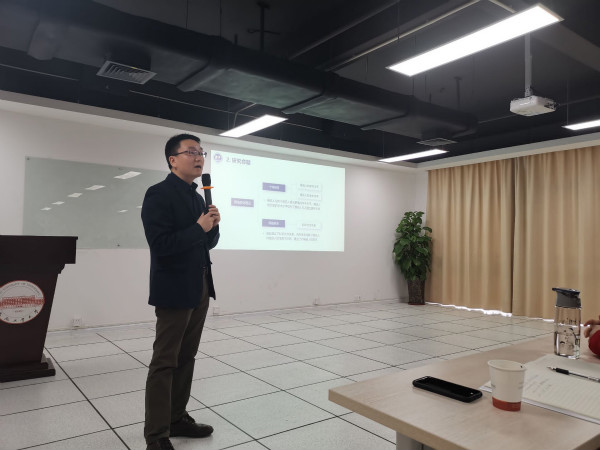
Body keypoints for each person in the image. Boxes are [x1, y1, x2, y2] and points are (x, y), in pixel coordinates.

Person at [141, 134, 220, 450]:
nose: (199, 157)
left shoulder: (198, 197)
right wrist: (199, 228)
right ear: (172, 160)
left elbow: (205, 243)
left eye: (201, 152)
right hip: (173, 289)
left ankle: (177, 418)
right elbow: (161, 245)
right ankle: (156, 434)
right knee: (165, 361)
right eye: (191, 152)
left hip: (199, 286)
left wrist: (212, 227)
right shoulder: (158, 194)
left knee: (187, 356)